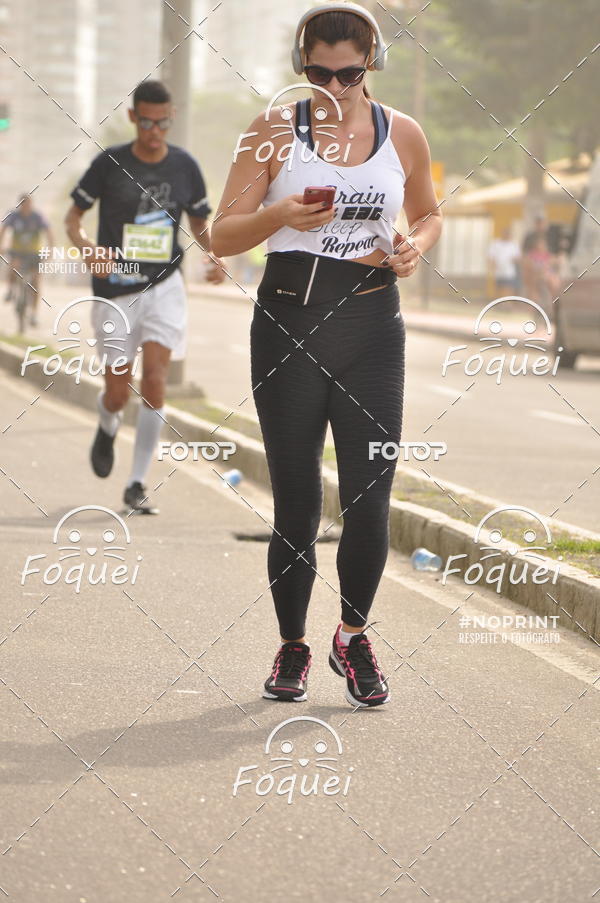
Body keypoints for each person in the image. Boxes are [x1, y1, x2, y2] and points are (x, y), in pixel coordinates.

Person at [212, 3, 442, 707]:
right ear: (299, 65)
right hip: (289, 323)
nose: (335, 86)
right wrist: (278, 215)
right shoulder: (274, 132)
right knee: (297, 505)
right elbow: (222, 235)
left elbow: (430, 212)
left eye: (349, 72)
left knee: (371, 501)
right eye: (319, 72)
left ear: (371, 62)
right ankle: (293, 646)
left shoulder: (402, 132)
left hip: (374, 327)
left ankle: (353, 633)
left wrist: (414, 248)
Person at [65, 79, 224, 512]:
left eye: (164, 122)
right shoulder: (109, 163)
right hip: (115, 289)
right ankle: (108, 419)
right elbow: (73, 217)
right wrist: (87, 248)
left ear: (171, 120)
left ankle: (136, 483)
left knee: (155, 378)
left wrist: (213, 256)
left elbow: (198, 224)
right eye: (148, 121)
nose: (155, 130)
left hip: (165, 285)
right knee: (120, 390)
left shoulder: (185, 167)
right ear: (134, 118)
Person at [0, 193, 53, 326]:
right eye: (23, 204)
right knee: (13, 265)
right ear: (19, 205)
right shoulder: (13, 216)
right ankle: (11, 290)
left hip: (34, 253)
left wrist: (50, 249)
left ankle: (34, 314)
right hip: (17, 251)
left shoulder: (38, 217)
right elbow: (4, 230)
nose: (26, 207)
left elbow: (49, 232)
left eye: (28, 204)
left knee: (36, 281)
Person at [487, 226, 521, 297]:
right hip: (498, 269)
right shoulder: (496, 243)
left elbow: (518, 257)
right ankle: (499, 302)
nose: (507, 235)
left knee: (509, 286)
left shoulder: (514, 244)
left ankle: (507, 303)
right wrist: (492, 266)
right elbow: (491, 256)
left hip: (510, 269)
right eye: (506, 233)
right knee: (499, 286)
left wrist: (515, 260)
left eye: (509, 233)